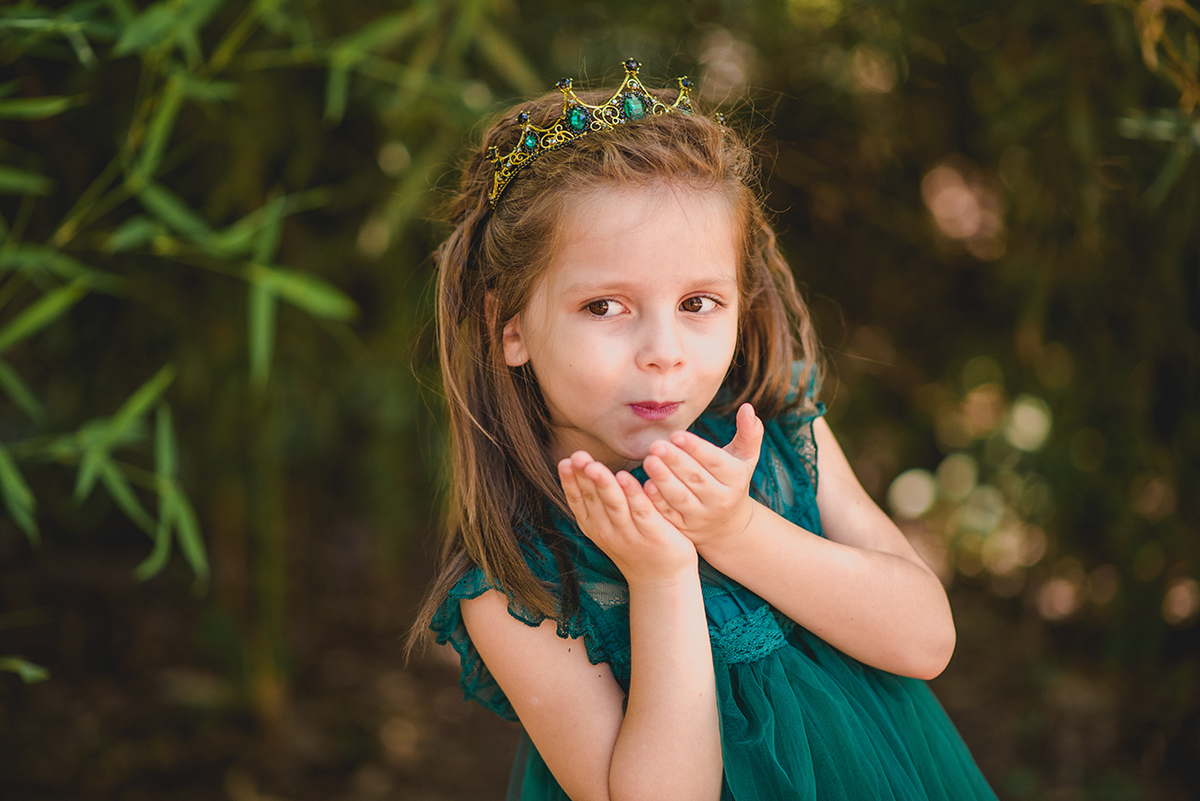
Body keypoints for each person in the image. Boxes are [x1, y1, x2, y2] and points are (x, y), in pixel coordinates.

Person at [409, 59, 997, 801]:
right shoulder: (517, 580)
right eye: (604, 306)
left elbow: (924, 640)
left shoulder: (780, 434)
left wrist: (734, 529)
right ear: (511, 325)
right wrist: (661, 577)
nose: (664, 351)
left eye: (697, 303)